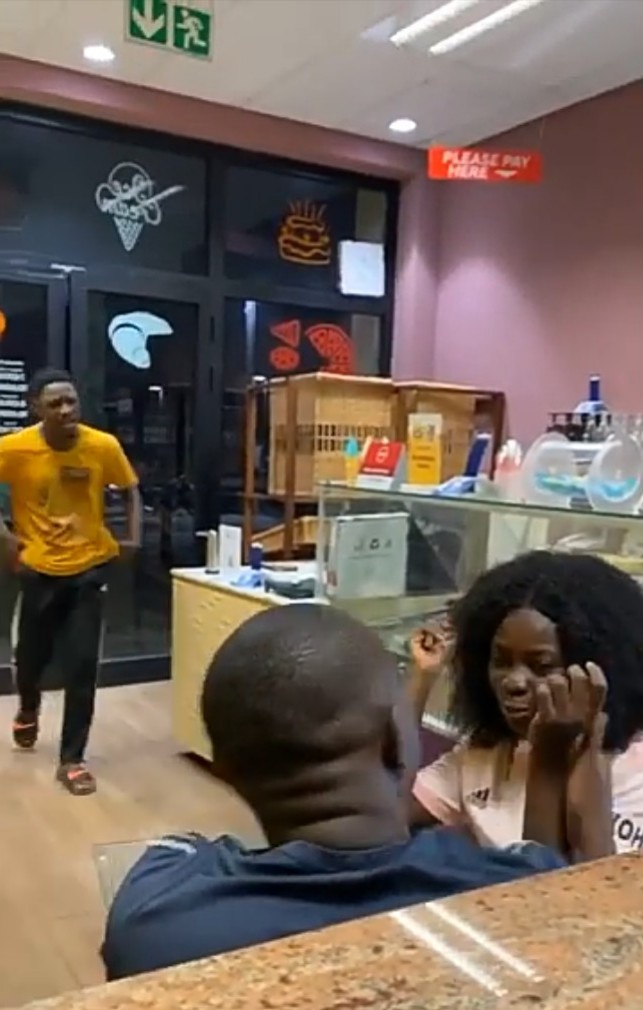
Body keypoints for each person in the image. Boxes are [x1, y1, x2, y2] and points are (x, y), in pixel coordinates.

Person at [102, 602, 612, 980]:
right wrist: (551, 760)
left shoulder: (153, 918)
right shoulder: (501, 888)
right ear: (392, 742)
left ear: (226, 771)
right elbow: (547, 899)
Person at [412, 550, 643, 854]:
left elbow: (570, 880)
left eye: (542, 666)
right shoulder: (486, 754)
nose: (515, 682)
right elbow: (385, 816)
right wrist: (422, 677)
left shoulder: (633, 771)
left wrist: (558, 756)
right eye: (501, 661)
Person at [0, 368, 140, 795]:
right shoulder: (15, 447)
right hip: (38, 570)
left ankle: (72, 760)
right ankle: (28, 707)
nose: (65, 410)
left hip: (88, 568)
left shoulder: (102, 445)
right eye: (55, 404)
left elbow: (130, 489)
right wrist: (5, 537)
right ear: (36, 408)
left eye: (71, 401)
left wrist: (134, 536)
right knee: (30, 661)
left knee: (82, 666)